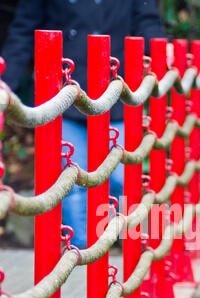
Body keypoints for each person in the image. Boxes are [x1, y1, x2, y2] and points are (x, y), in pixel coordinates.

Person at [1, 0, 167, 247]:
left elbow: (147, 21)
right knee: (72, 177)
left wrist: (164, 56)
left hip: (116, 88)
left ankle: (130, 247)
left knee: (124, 176)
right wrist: (5, 82)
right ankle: (84, 251)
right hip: (64, 89)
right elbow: (23, 31)